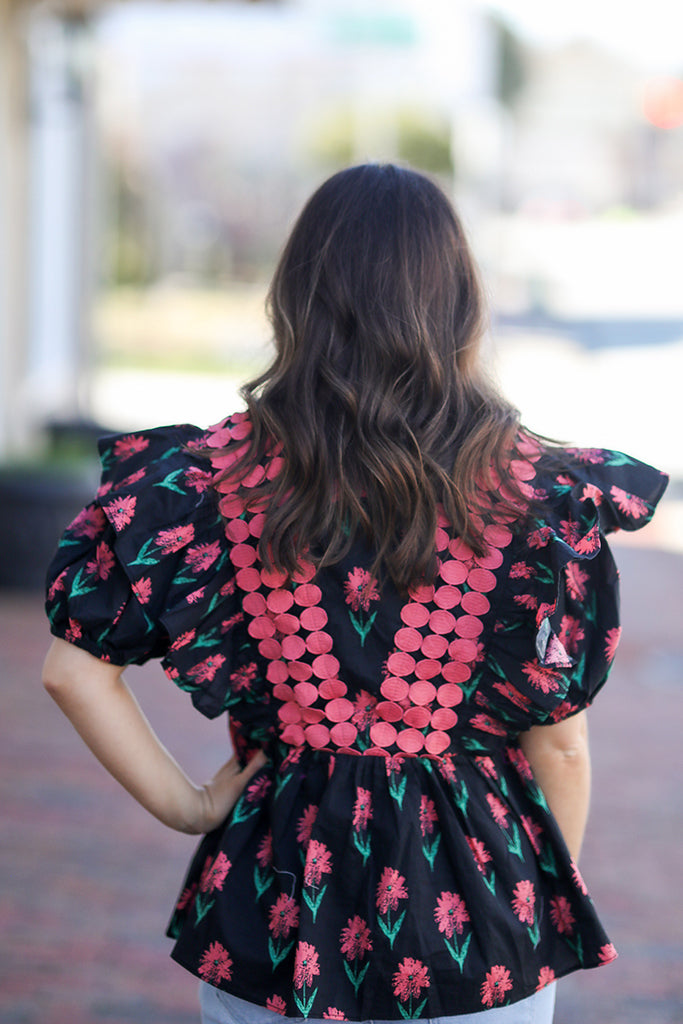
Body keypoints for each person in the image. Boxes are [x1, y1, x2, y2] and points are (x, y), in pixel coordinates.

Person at [43, 163, 668, 1024]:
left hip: (269, 908)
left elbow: (73, 673)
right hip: (479, 921)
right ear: (456, 302)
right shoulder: (536, 494)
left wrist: (189, 806)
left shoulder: (202, 483)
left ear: (294, 297)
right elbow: (559, 746)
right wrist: (533, 888)